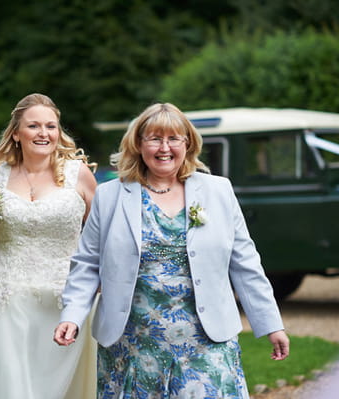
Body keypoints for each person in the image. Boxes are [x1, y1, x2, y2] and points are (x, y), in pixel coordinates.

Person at [54, 103, 290, 398]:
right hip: (133, 343)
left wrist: (271, 324)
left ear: (187, 143)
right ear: (138, 144)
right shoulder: (110, 195)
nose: (164, 148)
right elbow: (87, 263)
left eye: (173, 139)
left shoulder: (218, 191)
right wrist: (72, 316)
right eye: (154, 138)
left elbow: (245, 264)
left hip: (206, 341)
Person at [0, 93, 98, 399]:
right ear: (16, 133)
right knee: (10, 386)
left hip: (64, 299)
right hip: (7, 296)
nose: (44, 133)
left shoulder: (79, 174)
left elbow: (103, 237)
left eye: (51, 126)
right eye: (34, 126)